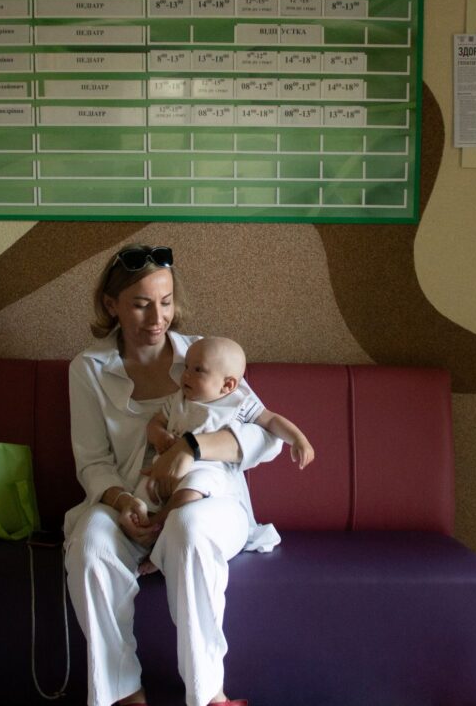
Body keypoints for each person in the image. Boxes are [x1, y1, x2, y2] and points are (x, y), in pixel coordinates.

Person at [64, 244, 288, 706]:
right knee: (90, 543)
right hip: (131, 501)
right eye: (142, 304)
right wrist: (122, 502)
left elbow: (265, 436)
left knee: (188, 528)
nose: (157, 318)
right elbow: (92, 461)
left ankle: (208, 696)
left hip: (209, 502)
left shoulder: (207, 356)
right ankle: (123, 693)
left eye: (165, 302)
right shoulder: (88, 369)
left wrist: (191, 447)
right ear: (112, 306)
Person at [132, 335, 315, 534]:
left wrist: (298, 439)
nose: (186, 375)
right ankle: (144, 533)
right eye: (186, 367)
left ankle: (159, 525)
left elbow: (270, 420)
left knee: (192, 491)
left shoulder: (238, 404)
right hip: (165, 465)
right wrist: (160, 436)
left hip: (208, 471)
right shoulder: (178, 400)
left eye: (198, 370)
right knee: (143, 493)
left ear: (227, 385)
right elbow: (155, 423)